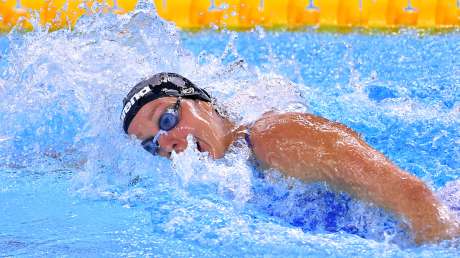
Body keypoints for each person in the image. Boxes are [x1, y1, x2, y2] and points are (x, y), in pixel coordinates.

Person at [121, 72, 459, 244]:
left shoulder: (277, 137)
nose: (168, 142)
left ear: (203, 101)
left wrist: (439, 241)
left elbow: (414, 196)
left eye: (167, 119)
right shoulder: (228, 170)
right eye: (153, 145)